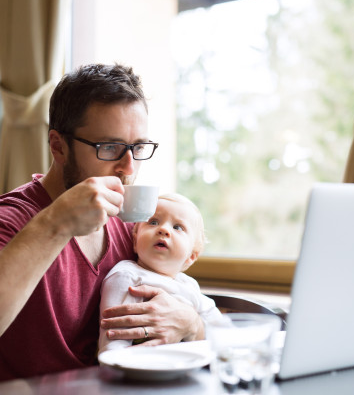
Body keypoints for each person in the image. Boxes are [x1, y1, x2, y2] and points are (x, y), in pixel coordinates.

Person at [0, 63, 204, 381]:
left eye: (138, 148)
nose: (128, 168)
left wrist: (191, 322)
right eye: (110, 148)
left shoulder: (134, 225)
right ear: (58, 146)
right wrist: (57, 223)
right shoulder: (12, 220)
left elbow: (189, 315)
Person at [98, 193, 224, 354]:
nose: (163, 229)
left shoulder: (189, 285)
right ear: (135, 242)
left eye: (178, 227)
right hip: (139, 370)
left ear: (191, 257)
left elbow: (220, 330)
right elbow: (113, 340)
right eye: (153, 222)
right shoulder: (126, 276)